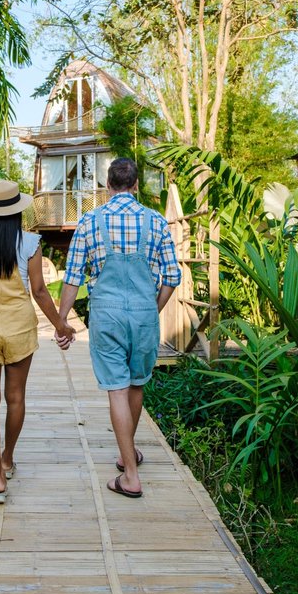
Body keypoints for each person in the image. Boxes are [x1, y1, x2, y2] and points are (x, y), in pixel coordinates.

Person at [58, 157, 181, 498]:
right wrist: (151, 310)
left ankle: (129, 474)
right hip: (143, 312)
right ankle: (130, 454)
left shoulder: (90, 221)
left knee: (116, 388)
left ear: (108, 186)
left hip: (106, 315)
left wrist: (62, 320)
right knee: (136, 384)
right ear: (137, 185)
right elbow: (172, 277)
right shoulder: (156, 221)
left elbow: (72, 277)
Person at [0, 179, 75, 504]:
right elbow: (38, 291)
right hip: (20, 328)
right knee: (16, 398)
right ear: (16, 211)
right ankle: (7, 458)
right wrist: (61, 326)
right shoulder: (31, 243)